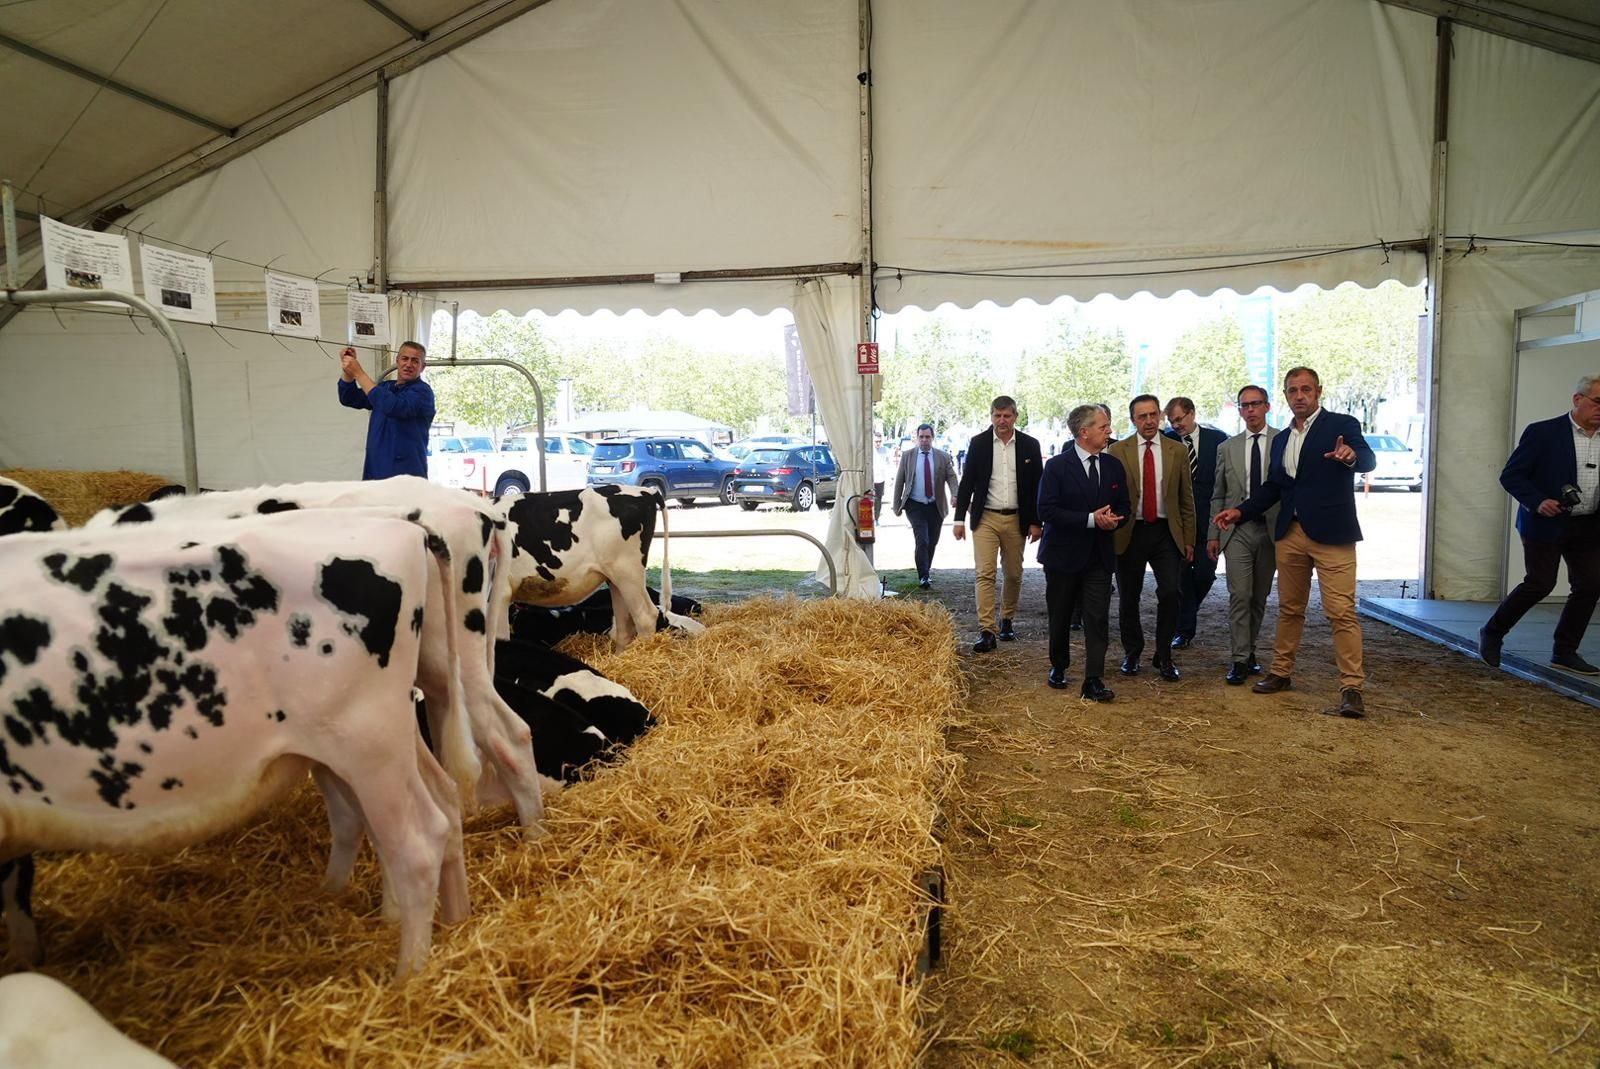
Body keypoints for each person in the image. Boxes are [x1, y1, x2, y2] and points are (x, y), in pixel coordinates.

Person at [1214, 366, 1375, 718]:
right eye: (1292, 390)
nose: (1299, 396)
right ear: (1285, 396)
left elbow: (1367, 458)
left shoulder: (1341, 425)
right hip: (1290, 533)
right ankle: (1282, 672)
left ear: (1318, 391)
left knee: (1341, 612)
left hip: (1333, 534)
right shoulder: (1283, 439)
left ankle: (1351, 688)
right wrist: (1239, 512)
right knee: (1289, 609)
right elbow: (1275, 487)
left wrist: (1351, 458)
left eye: (1305, 389)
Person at [1478, 374, 1600, 675]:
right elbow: (1512, 476)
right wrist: (1538, 500)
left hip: (1589, 524)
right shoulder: (1544, 433)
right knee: (1541, 583)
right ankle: (1493, 632)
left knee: (1590, 584)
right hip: (1545, 520)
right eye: (1598, 402)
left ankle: (1564, 651)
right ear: (1578, 399)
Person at [1038, 404, 1129, 702]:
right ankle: (1059, 666)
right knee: (1061, 614)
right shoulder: (1056, 466)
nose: (1109, 432)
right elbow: (1046, 511)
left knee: (1097, 617)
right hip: (1063, 556)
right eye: (1104, 427)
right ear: (1084, 431)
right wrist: (1091, 519)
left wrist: (1115, 520)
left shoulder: (1114, 466)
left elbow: (1125, 508)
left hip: (1099, 557)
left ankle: (1093, 679)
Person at [1108, 395, 1195, 682]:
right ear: (1133, 420)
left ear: (1160, 416)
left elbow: (1186, 498)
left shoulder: (1176, 450)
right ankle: (1132, 652)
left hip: (1166, 533)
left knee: (1171, 592)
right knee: (1128, 597)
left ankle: (1164, 655)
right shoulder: (1117, 451)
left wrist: (1189, 538)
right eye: (1141, 416)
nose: (1148, 421)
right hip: (1129, 532)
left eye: (1153, 415)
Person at [954, 395, 1043, 651]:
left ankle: (1007, 619)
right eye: (997, 415)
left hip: (1017, 519)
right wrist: (959, 519)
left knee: (1014, 573)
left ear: (1015, 416)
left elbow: (1038, 485)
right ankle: (987, 630)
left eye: (1006, 416)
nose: (1001, 421)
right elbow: (967, 482)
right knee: (985, 573)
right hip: (986, 518)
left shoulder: (1030, 445)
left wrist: (1037, 522)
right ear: (991, 416)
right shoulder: (979, 443)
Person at [1206, 385, 1280, 685]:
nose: (1250, 410)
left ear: (1267, 406)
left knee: (1259, 596)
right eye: (1245, 405)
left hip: (1273, 530)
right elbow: (1218, 495)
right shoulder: (1227, 447)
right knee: (1240, 594)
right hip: (1236, 530)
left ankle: (1250, 652)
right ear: (1239, 410)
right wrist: (1213, 534)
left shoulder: (1283, 441)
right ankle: (1239, 658)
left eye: (1256, 404)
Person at [1164, 396, 1227, 649]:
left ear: (1192, 413)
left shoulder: (1218, 440)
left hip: (1208, 520)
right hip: (1176, 523)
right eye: (1172, 421)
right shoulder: (1166, 441)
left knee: (1203, 574)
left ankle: (1188, 610)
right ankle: (1184, 628)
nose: (1176, 425)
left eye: (1179, 419)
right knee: (1179, 576)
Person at [338, 341, 435, 480]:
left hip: (406, 474)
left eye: (415, 361)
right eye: (404, 358)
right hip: (375, 470)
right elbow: (348, 398)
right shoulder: (386, 387)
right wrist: (348, 371)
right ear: (397, 361)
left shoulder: (423, 393)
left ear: (422, 367)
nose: (408, 364)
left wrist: (359, 373)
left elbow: (393, 406)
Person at [893, 423, 959, 589]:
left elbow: (951, 477)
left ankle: (926, 569)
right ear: (917, 438)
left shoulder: (942, 457)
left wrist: (954, 494)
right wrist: (896, 505)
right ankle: (923, 576)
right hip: (915, 505)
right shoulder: (908, 456)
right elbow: (900, 481)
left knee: (932, 541)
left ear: (932, 438)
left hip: (935, 505)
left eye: (927, 437)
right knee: (922, 539)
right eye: (921, 437)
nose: (924, 440)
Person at [872, 431, 892, 521]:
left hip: (880, 479)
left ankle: (877, 518)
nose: (878, 443)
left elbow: (889, 464)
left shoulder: (885, 450)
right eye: (876, 441)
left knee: (878, 499)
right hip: (871, 479)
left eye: (880, 441)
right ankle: (870, 516)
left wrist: (890, 477)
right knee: (869, 498)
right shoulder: (870, 451)